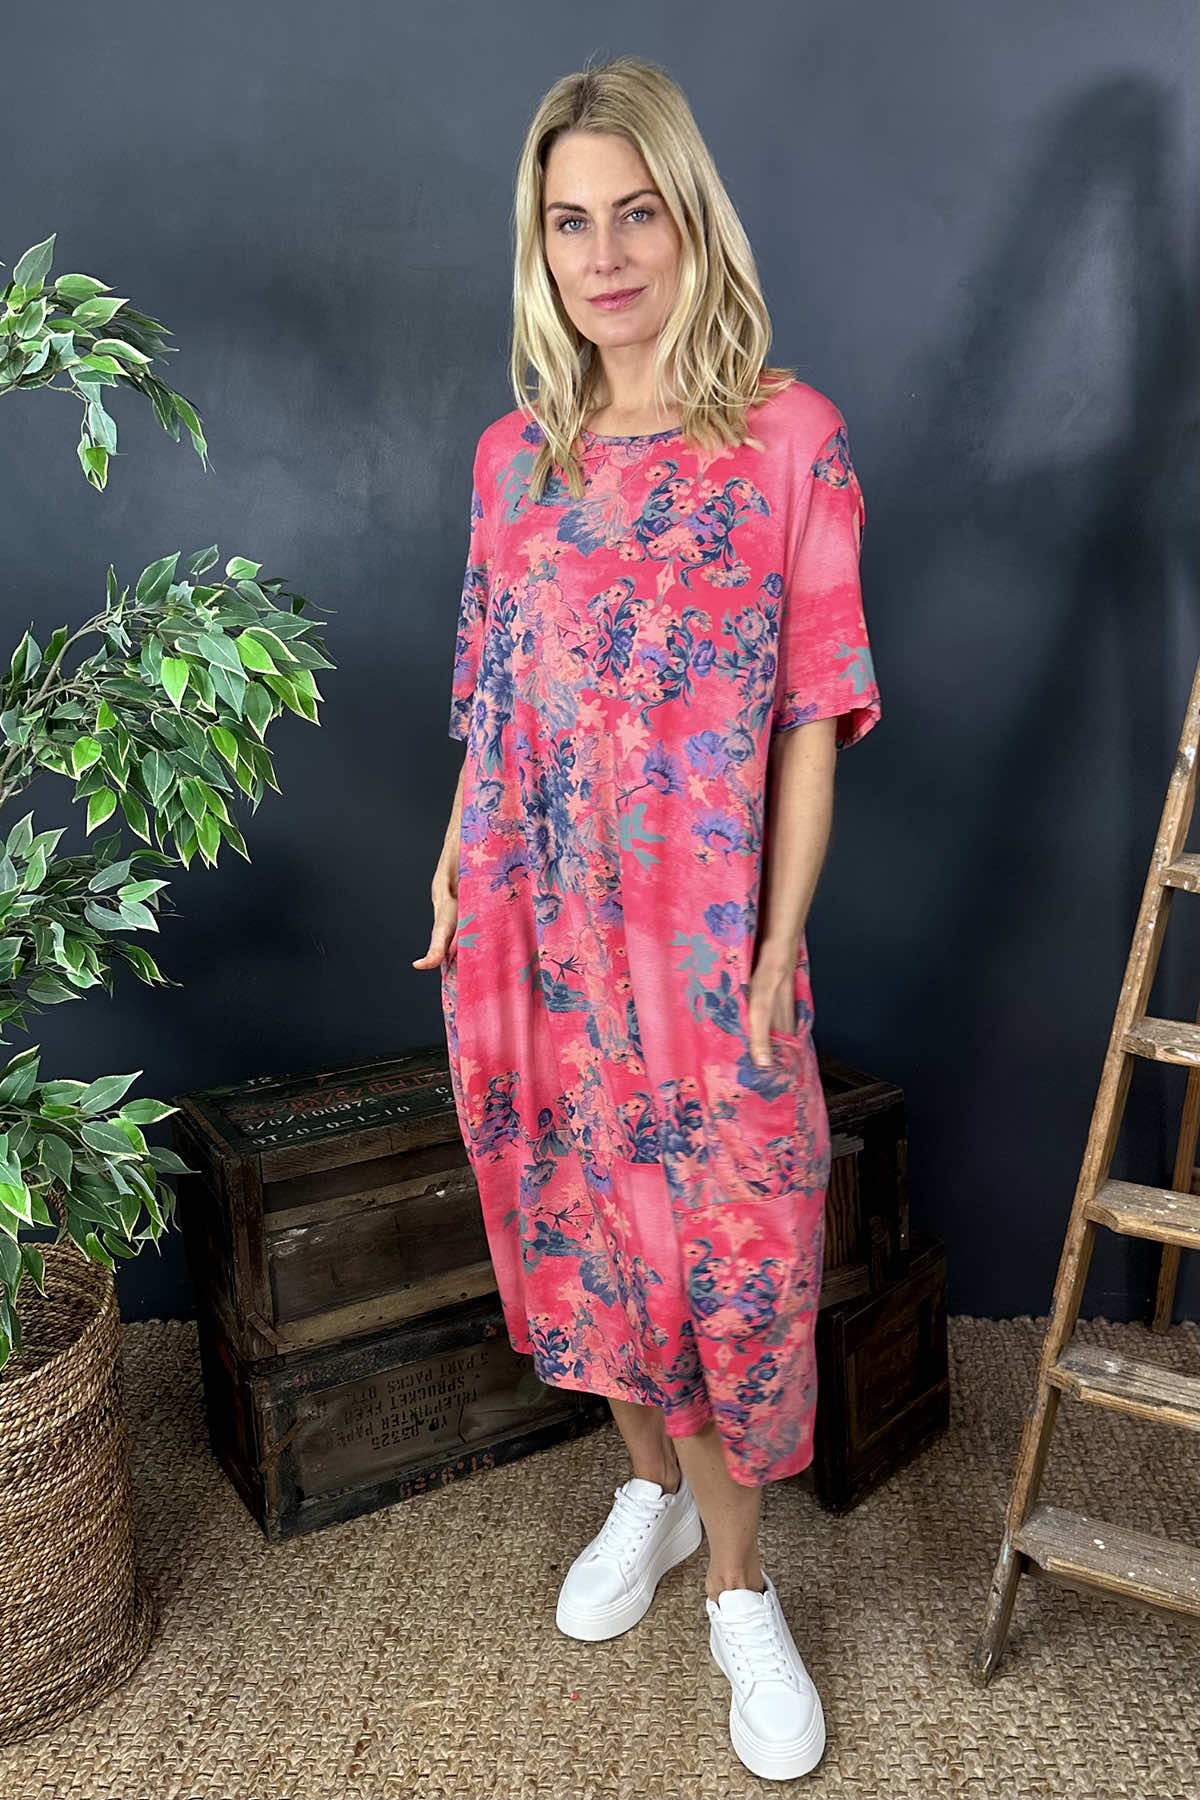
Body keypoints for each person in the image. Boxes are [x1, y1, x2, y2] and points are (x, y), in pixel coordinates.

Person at [413, 54, 881, 1784]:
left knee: (734, 1251)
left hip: (702, 947)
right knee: (583, 1220)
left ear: (689, 223)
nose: (603, 255)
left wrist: (776, 940)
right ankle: (646, 1494)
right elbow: (493, 699)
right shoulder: (511, 463)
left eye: (635, 215)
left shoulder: (789, 440)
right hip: (534, 928)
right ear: (536, 245)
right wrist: (453, 854)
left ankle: (740, 1583)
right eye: (568, 222)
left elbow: (814, 712)